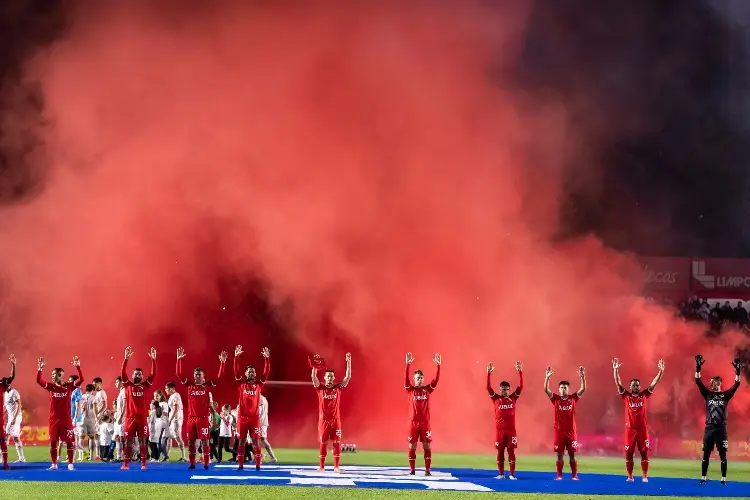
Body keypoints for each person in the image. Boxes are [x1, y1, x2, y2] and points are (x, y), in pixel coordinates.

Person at [612, 358, 665, 483]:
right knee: (629, 454)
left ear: (639, 387)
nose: (635, 386)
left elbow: (654, 383)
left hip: (642, 429)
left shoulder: (644, 395)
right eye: (633, 385)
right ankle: (630, 477)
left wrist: (661, 371)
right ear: (630, 387)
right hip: (630, 430)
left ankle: (644, 476)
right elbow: (618, 383)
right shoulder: (626, 396)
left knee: (644, 453)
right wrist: (615, 370)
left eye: (637, 385)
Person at [176, 346, 227, 469]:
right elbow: (179, 374)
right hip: (191, 419)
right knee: (191, 442)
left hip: (203, 419)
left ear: (204, 377)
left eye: (199, 374)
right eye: (195, 374)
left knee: (205, 441)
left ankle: (206, 463)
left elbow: (220, 377)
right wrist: (179, 360)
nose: (196, 376)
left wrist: (222, 363)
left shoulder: (207, 387)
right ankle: (192, 464)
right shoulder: (190, 386)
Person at [695, 354, 742, 485]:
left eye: (714, 382)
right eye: (711, 382)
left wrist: (738, 372)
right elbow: (698, 382)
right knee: (705, 455)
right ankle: (703, 477)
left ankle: (723, 479)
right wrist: (698, 369)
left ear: (719, 383)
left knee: (723, 455)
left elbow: (737, 384)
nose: (711, 383)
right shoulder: (708, 394)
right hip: (709, 428)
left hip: (721, 429)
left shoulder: (725, 395)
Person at [36, 355, 83, 470]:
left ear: (61, 375)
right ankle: (54, 464)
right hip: (53, 420)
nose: (52, 376)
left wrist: (78, 367)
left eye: (54, 374)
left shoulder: (69, 387)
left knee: (69, 442)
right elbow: (39, 381)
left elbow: (81, 380)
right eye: (51, 374)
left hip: (66, 420)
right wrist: (40, 369)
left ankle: (70, 464)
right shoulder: (51, 387)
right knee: (53, 442)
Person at [544, 365, 586, 480]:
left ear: (568, 389)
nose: (563, 389)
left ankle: (574, 476)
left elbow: (583, 389)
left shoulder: (573, 399)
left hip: (571, 432)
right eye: (561, 387)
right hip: (559, 432)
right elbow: (546, 390)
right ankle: (559, 475)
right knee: (559, 454)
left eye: (565, 387)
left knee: (572, 454)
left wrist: (582, 377)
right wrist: (547, 377)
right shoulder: (556, 399)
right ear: (559, 389)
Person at [311, 353, 352, 472]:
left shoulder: (338, 388)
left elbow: (348, 377)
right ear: (325, 377)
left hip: (335, 421)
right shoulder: (321, 388)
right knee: (323, 443)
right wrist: (315, 365)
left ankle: (336, 467)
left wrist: (348, 362)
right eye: (327, 376)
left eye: (331, 376)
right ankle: (322, 467)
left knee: (336, 443)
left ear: (334, 378)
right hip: (323, 421)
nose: (329, 378)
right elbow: (313, 378)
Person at [233, 345, 270, 470]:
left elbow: (266, 373)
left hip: (255, 419)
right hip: (242, 418)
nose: (251, 373)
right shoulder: (241, 384)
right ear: (245, 373)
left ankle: (258, 465)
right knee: (242, 441)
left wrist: (267, 359)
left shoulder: (259, 385)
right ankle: (241, 465)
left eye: (253, 371)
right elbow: (236, 371)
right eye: (249, 371)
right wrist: (236, 357)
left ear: (255, 374)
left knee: (256, 442)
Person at [120, 346, 157, 470]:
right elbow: (123, 374)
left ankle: (143, 464)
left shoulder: (145, 385)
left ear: (142, 376)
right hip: (130, 419)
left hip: (142, 419)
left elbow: (153, 374)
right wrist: (126, 359)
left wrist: (153, 360)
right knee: (128, 442)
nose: (137, 375)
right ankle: (125, 464)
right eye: (135, 374)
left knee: (143, 441)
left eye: (140, 374)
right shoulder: (127, 385)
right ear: (133, 375)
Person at [404, 352, 440, 476]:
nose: (419, 379)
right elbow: (405, 380)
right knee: (412, 446)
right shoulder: (410, 390)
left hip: (425, 423)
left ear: (423, 379)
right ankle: (412, 470)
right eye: (417, 378)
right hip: (413, 423)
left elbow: (435, 381)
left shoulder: (427, 390)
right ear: (414, 379)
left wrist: (438, 366)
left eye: (421, 378)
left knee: (427, 447)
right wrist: (407, 365)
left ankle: (427, 471)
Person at [487, 361, 523, 479]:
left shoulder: (513, 398)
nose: (505, 391)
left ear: (509, 389)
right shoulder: (496, 399)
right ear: (500, 389)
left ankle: (512, 474)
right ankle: (501, 474)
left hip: (511, 431)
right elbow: (488, 387)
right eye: (503, 389)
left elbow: (521, 387)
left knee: (511, 452)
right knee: (500, 452)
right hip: (499, 431)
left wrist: (520, 371)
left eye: (507, 389)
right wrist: (489, 374)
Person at [0, 355, 17, 469]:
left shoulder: (1, 384)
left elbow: (12, 377)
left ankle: (5, 463)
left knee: (2, 440)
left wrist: (13, 364)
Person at [3, 378, 24, 463]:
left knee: (6, 437)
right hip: (11, 417)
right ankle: (22, 458)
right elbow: (6, 407)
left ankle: (2, 459)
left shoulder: (14, 392)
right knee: (16, 437)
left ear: (8, 384)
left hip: (15, 417)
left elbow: (19, 405)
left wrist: (14, 418)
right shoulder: (5, 393)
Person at [165, 382, 186, 461]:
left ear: (171, 388)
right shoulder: (171, 396)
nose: (165, 390)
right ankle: (166, 456)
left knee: (177, 437)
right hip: (172, 419)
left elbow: (176, 409)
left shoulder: (176, 395)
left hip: (176, 420)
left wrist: (170, 420)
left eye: (166, 388)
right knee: (169, 438)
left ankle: (183, 456)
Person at [259, 394, 277, 463]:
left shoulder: (260, 398)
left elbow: (260, 411)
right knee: (255, 439)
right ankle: (261, 456)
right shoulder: (263, 398)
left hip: (261, 422)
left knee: (262, 439)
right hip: (262, 421)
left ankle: (271, 457)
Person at [153, 389, 170, 461]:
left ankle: (158, 457)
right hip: (157, 424)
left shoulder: (164, 403)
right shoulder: (155, 404)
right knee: (158, 441)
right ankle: (163, 456)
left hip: (163, 424)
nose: (155, 397)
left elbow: (166, 413)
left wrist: (160, 410)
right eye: (154, 396)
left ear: (161, 396)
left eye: (157, 396)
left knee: (158, 441)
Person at [112, 377, 126, 461]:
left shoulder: (124, 391)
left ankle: (126, 456)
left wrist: (121, 416)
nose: (115, 383)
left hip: (123, 418)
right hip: (119, 417)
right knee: (117, 437)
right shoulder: (121, 391)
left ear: (122, 382)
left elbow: (125, 404)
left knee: (122, 438)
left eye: (117, 382)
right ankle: (119, 456)